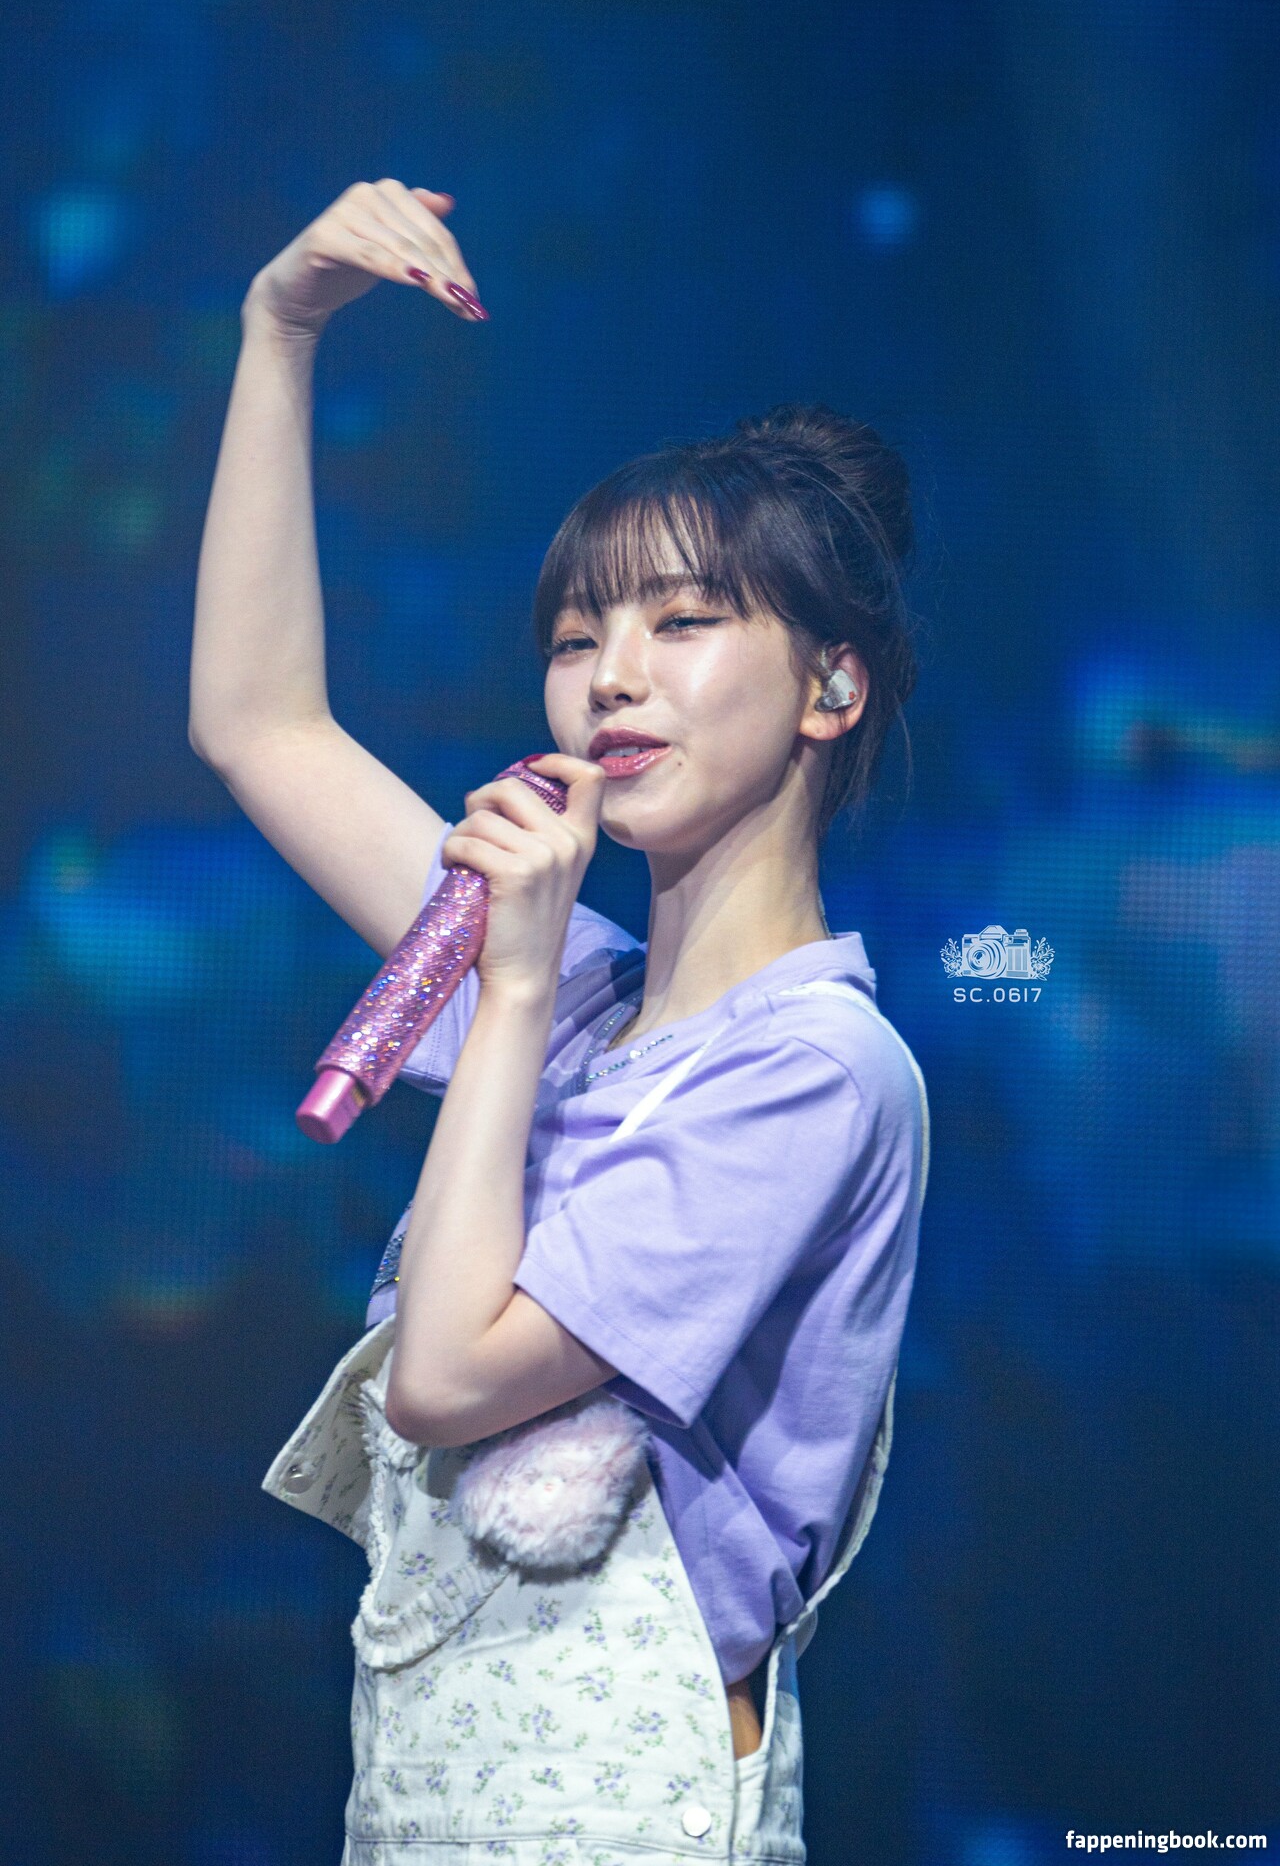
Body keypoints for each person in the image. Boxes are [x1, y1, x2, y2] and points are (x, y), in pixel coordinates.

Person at [190, 178, 929, 1864]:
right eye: (578, 635)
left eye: (685, 624)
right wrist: (279, 327)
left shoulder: (817, 1070)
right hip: (428, 1795)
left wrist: (511, 986)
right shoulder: (585, 994)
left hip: (620, 1813)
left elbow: (452, 1376)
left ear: (832, 684)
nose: (612, 678)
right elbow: (259, 724)